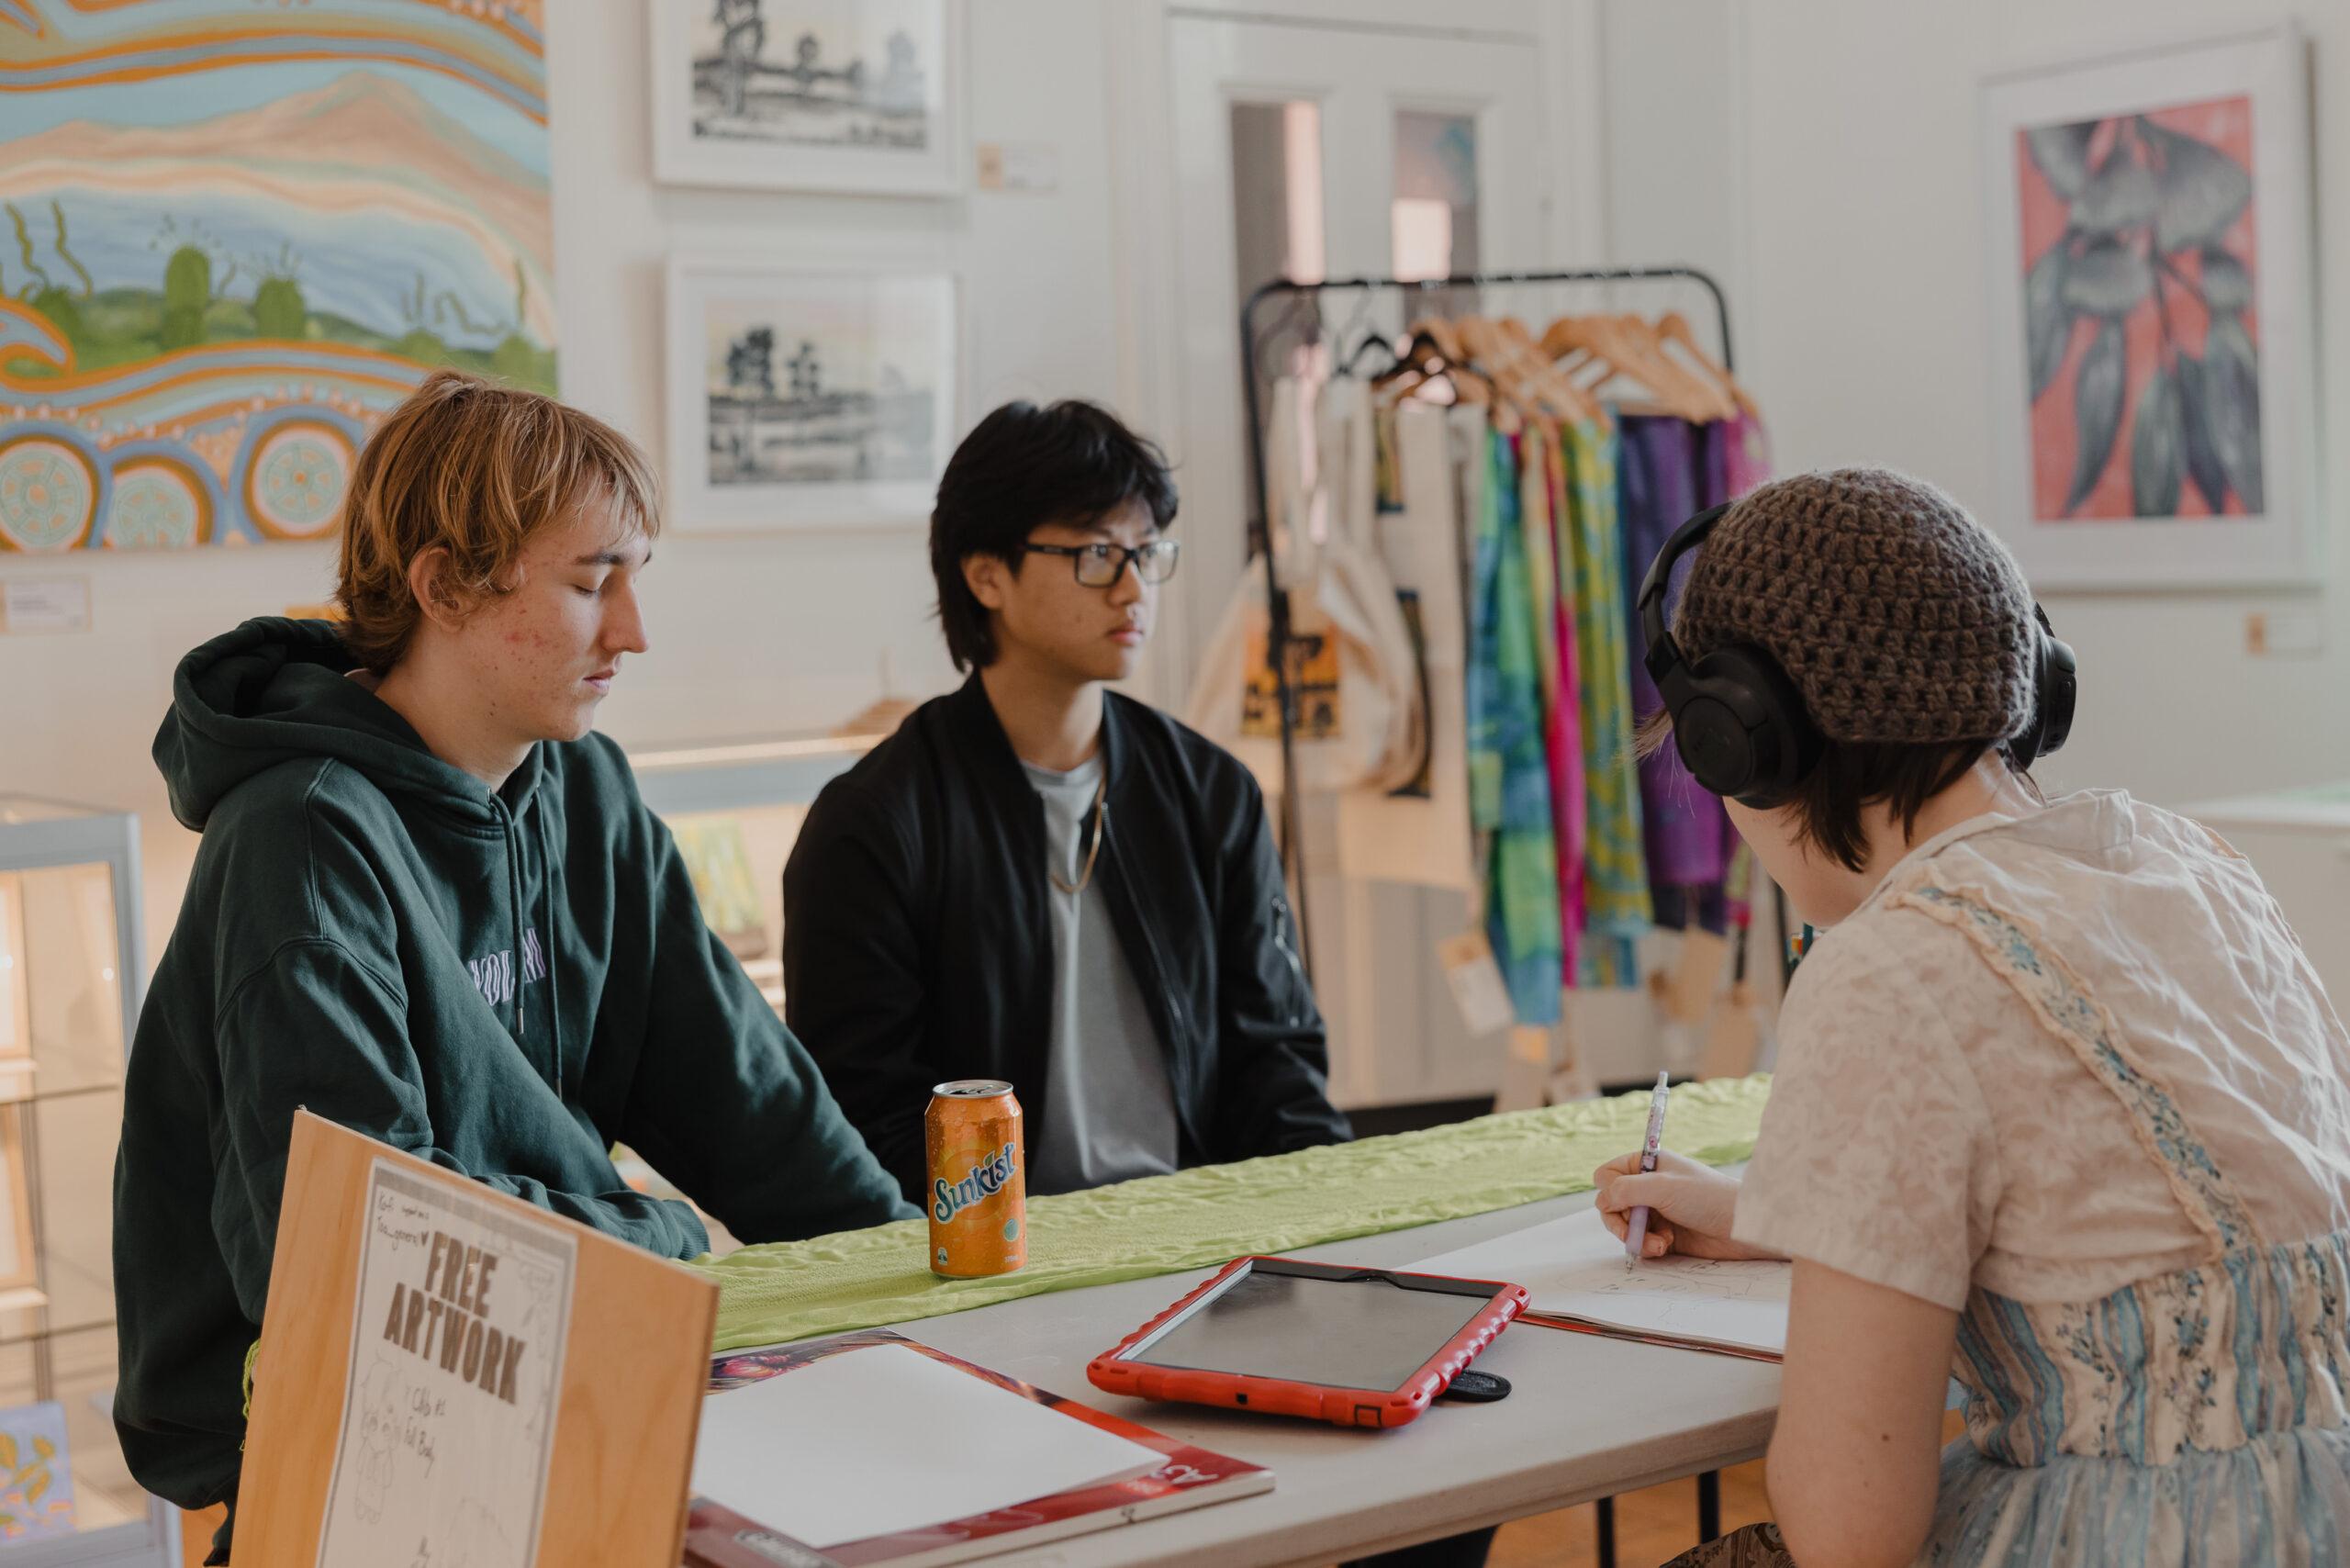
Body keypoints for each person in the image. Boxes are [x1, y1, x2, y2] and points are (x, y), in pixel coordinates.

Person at [113, 371, 913, 1562]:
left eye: (635, 579)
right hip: (353, 1473)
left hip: (569, 1388)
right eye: (593, 583)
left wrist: (914, 1281)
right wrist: (655, 1235)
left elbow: (752, 1105)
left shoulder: (583, 787)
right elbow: (372, 1262)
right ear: (444, 586)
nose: (633, 631)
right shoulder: (300, 842)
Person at [1591, 468, 2350, 1568]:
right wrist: (1785, 1215)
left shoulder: (1893, 965)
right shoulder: (2198, 871)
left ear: (1741, 741)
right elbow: (2116, 1217)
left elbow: (1851, 1534)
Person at [783, 398, 1351, 1205]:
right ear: (986, 575)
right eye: (1096, 554)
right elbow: (861, 1115)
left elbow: (1278, 1063)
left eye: (1146, 553)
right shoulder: (876, 824)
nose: (1133, 589)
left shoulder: (1210, 792)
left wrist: (1330, 1222)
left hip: (1201, 1229)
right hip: (991, 1250)